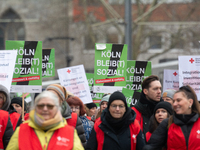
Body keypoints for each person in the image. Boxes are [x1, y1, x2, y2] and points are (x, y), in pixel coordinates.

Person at [6, 91, 84, 150]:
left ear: (57, 109)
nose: (45, 109)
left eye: (50, 106)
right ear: (35, 108)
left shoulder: (69, 132)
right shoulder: (21, 130)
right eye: (41, 105)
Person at [143, 85, 200, 150]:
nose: (174, 104)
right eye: (174, 101)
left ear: (190, 102)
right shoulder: (167, 123)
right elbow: (151, 146)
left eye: (178, 100)